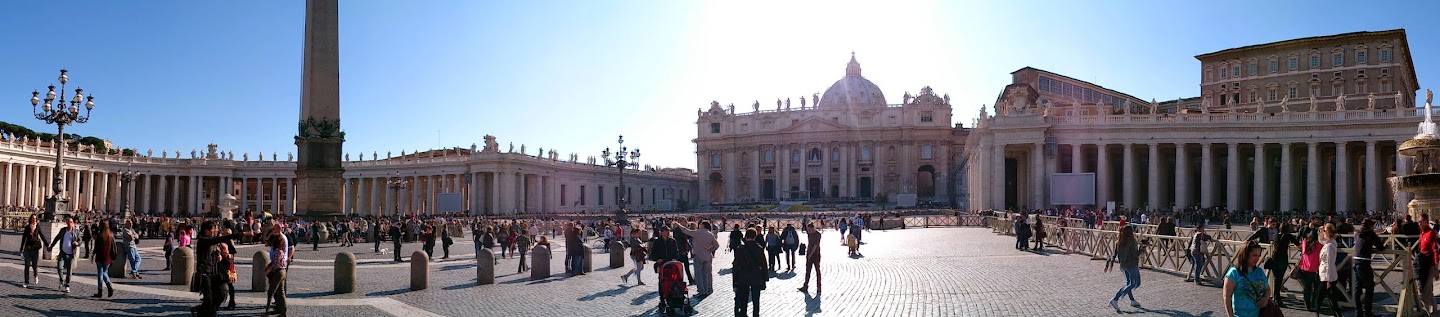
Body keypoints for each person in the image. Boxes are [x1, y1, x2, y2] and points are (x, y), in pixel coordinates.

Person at [1224, 241, 1270, 317]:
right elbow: (1227, 297)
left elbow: (1268, 289)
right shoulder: (1234, 273)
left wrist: (1265, 298)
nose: (1257, 258)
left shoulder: (1259, 272)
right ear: (1245, 255)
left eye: (1259, 256)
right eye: (1254, 255)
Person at [732, 228, 768, 317]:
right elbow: (764, 265)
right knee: (756, 300)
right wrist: (765, 279)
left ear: (746, 236)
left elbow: (736, 266)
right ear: (755, 236)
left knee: (744, 300)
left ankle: (743, 314)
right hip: (756, 277)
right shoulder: (759, 248)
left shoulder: (740, 249)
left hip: (743, 277)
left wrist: (734, 281)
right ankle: (756, 315)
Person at [677, 221, 719, 295]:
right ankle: (707, 289)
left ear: (702, 225)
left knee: (698, 274)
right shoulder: (710, 234)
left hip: (698, 254)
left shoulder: (698, 232)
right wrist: (710, 250)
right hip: (707, 254)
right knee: (706, 274)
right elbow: (716, 245)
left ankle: (701, 290)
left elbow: (686, 231)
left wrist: (678, 224)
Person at [1352, 218, 1383, 317]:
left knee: (1357, 288)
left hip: (1356, 262)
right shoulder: (1371, 234)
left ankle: (1358, 312)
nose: (1374, 227)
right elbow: (1381, 247)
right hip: (1364, 263)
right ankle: (1368, 312)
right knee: (1370, 288)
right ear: (1370, 226)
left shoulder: (1357, 234)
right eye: (1373, 225)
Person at [1107, 226, 1142, 311]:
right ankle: (1115, 299)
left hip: (1123, 265)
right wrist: (1142, 249)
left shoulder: (1119, 241)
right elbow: (1135, 254)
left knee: (1129, 283)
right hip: (1131, 264)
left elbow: (1115, 253)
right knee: (1134, 284)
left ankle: (1132, 300)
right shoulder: (1131, 241)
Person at [1317, 224, 1346, 316]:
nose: (1324, 233)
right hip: (1328, 276)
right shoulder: (1330, 242)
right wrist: (1321, 231)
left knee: (1318, 300)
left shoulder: (1329, 246)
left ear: (1329, 233)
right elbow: (1321, 240)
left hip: (1327, 277)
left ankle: (1318, 314)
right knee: (1332, 299)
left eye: (1325, 231)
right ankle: (1337, 315)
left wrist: (1328, 280)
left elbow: (1329, 263)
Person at [47, 217, 80, 293]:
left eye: (71, 222)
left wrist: (77, 243)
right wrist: (51, 246)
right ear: (66, 223)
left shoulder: (76, 232)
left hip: (71, 253)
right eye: (68, 222)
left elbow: (80, 239)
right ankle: (62, 280)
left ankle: (67, 285)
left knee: (69, 271)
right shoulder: (63, 230)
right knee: (59, 268)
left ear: (73, 223)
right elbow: (56, 238)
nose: (69, 223)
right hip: (62, 252)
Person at [1418, 215, 1440, 315]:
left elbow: (1435, 250)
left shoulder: (1431, 233)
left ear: (1426, 222)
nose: (1419, 223)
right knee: (1427, 289)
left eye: (1421, 222)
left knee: (1424, 289)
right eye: (1418, 222)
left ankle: (1430, 311)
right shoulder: (1421, 233)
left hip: (1430, 265)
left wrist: (1436, 267)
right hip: (1423, 265)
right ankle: (1433, 310)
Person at [264, 233, 289, 316]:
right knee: (281, 292)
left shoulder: (277, 250)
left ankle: (267, 312)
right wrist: (269, 265)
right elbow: (275, 262)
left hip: (279, 272)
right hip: (282, 271)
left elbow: (276, 263)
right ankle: (283, 313)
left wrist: (269, 270)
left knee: (271, 292)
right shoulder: (279, 249)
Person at [20, 215, 46, 288]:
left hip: (35, 249)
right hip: (27, 248)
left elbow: (42, 236)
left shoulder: (37, 227)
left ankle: (35, 275)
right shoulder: (27, 227)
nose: (34, 220)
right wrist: (21, 248)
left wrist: (47, 245)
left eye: (35, 218)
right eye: (33, 218)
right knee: (27, 265)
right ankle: (26, 281)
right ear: (31, 219)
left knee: (34, 265)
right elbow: (24, 238)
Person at [797, 222, 822, 295]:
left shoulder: (818, 234)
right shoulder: (809, 234)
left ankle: (819, 287)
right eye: (808, 230)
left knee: (817, 270)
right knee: (808, 270)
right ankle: (805, 286)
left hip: (816, 254)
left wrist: (811, 254)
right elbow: (810, 243)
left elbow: (816, 245)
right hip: (809, 253)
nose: (808, 231)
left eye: (809, 229)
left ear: (813, 228)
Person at [92, 220, 115, 298]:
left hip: (100, 256)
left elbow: (96, 247)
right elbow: (113, 248)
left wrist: (93, 254)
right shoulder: (111, 235)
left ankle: (101, 290)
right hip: (108, 257)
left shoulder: (100, 235)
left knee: (101, 274)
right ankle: (108, 287)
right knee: (105, 272)